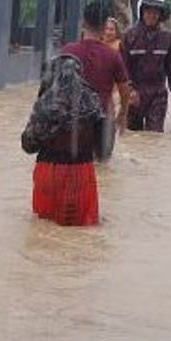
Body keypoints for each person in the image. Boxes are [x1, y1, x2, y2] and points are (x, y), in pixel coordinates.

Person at [21, 55, 105, 226]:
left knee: (44, 231)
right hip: (83, 173)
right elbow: (103, 147)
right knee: (82, 231)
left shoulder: (47, 103)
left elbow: (28, 145)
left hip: (49, 172)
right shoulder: (93, 101)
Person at [62, 1, 136, 155]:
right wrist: (123, 114)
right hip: (103, 119)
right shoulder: (113, 56)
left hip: (74, 119)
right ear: (104, 25)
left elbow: (56, 87)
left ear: (83, 22)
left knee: (75, 164)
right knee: (103, 168)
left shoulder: (68, 51)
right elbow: (124, 91)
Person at [122, 0, 171, 132]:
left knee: (154, 134)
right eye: (148, 12)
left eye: (156, 13)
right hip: (135, 91)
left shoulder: (167, 37)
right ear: (142, 13)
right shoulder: (130, 36)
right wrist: (130, 90)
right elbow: (124, 67)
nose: (152, 16)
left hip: (158, 92)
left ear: (160, 15)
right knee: (133, 135)